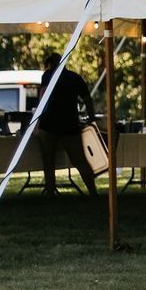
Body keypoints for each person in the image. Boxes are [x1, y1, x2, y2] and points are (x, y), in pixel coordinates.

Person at [34, 49, 98, 197]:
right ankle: (93, 192)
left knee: (48, 161)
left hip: (49, 125)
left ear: (50, 64)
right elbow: (87, 99)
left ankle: (50, 192)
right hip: (70, 124)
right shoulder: (74, 77)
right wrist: (91, 118)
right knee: (80, 160)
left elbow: (43, 97)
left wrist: (36, 120)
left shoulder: (48, 75)